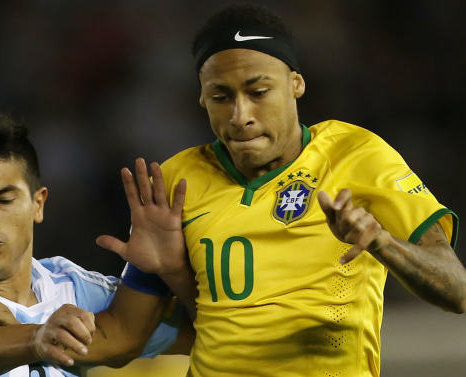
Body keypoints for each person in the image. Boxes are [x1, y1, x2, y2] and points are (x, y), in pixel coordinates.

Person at [95, 4, 466, 377]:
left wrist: (383, 244)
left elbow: (457, 291)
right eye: (221, 97)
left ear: (296, 84)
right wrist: (172, 272)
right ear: (202, 98)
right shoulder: (177, 182)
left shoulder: (356, 155)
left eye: (258, 92)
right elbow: (128, 337)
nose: (241, 116)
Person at [0, 111, 189, 377]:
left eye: (3, 199)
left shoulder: (75, 291)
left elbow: (213, 329)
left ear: (38, 204)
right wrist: (36, 338)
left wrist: (169, 272)